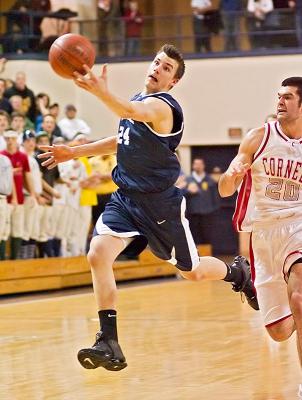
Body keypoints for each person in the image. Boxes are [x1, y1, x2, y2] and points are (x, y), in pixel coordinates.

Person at [38, 44, 258, 372]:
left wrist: (101, 92)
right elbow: (122, 136)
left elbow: (129, 113)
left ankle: (237, 273)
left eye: (167, 67)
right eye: (157, 61)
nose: (158, 68)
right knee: (97, 254)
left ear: (173, 82)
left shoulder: (164, 106)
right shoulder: (137, 102)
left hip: (160, 205)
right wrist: (75, 151)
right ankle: (108, 340)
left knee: (192, 272)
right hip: (126, 198)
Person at [218, 77, 302, 398]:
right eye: (279, 96)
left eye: (289, 97)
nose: (280, 101)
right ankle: (250, 280)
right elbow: (225, 189)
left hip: (298, 226)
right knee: (280, 331)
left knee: (299, 298)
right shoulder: (259, 138)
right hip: (265, 235)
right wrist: (233, 173)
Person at [185, 158, 220, 247]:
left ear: (203, 166)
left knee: (207, 235)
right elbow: (182, 195)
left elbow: (215, 195)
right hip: (192, 213)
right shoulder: (188, 180)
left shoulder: (209, 179)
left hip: (207, 213)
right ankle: (195, 256)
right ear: (193, 166)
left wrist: (214, 208)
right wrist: (188, 191)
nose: (198, 166)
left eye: (200, 164)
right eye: (196, 164)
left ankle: (207, 256)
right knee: (194, 235)